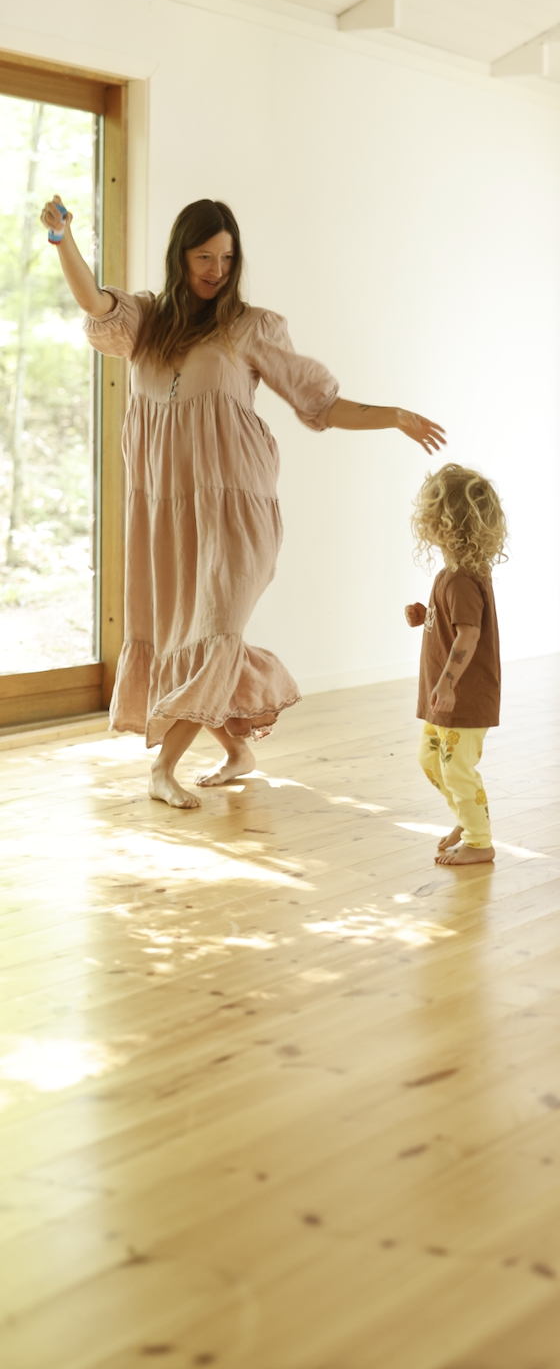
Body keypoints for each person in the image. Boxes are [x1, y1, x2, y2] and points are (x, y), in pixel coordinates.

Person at [40, 193, 444, 810]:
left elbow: (318, 402)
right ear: (181, 256)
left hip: (237, 506)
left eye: (227, 258)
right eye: (204, 256)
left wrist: (394, 416)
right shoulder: (146, 322)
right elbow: (95, 303)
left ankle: (163, 769)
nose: (216, 270)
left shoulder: (251, 327)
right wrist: (63, 239)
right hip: (166, 512)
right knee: (183, 636)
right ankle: (238, 750)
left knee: (218, 631)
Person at [405, 463, 505, 867]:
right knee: (431, 760)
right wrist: (424, 614)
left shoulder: (462, 578)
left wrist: (447, 684)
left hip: (462, 696)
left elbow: (469, 635)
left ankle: (481, 842)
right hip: (446, 696)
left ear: (443, 523)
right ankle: (467, 818)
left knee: (456, 768)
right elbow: (455, 623)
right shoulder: (452, 574)